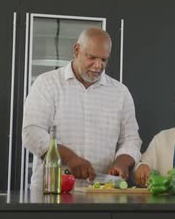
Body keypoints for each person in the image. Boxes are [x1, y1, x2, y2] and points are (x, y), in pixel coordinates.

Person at [22, 27, 141, 190]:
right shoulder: (47, 83)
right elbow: (32, 133)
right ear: (76, 50)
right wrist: (70, 159)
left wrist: (122, 162)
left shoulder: (120, 92)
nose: (98, 65)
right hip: (52, 190)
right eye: (91, 57)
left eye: (104, 60)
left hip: (102, 192)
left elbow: (131, 139)